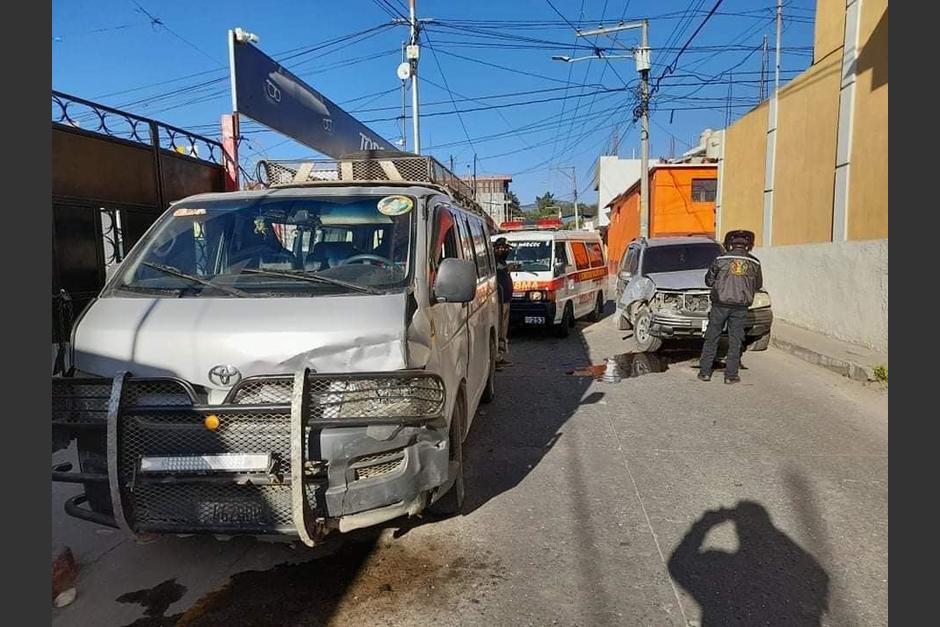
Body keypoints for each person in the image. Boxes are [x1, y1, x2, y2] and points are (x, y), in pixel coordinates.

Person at [698, 230, 762, 384]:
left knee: (712, 337)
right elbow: (758, 285)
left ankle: (705, 372)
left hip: (720, 305)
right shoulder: (755, 262)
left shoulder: (720, 259)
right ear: (748, 246)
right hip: (740, 307)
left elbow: (709, 281)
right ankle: (730, 376)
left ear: (730, 245)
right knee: (735, 340)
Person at [493, 237, 514, 368]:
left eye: (505, 247)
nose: (503, 250)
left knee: (503, 330)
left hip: (506, 300)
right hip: (498, 302)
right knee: (499, 329)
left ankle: (500, 355)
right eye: (500, 247)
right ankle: (496, 358)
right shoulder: (494, 262)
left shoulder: (503, 262)